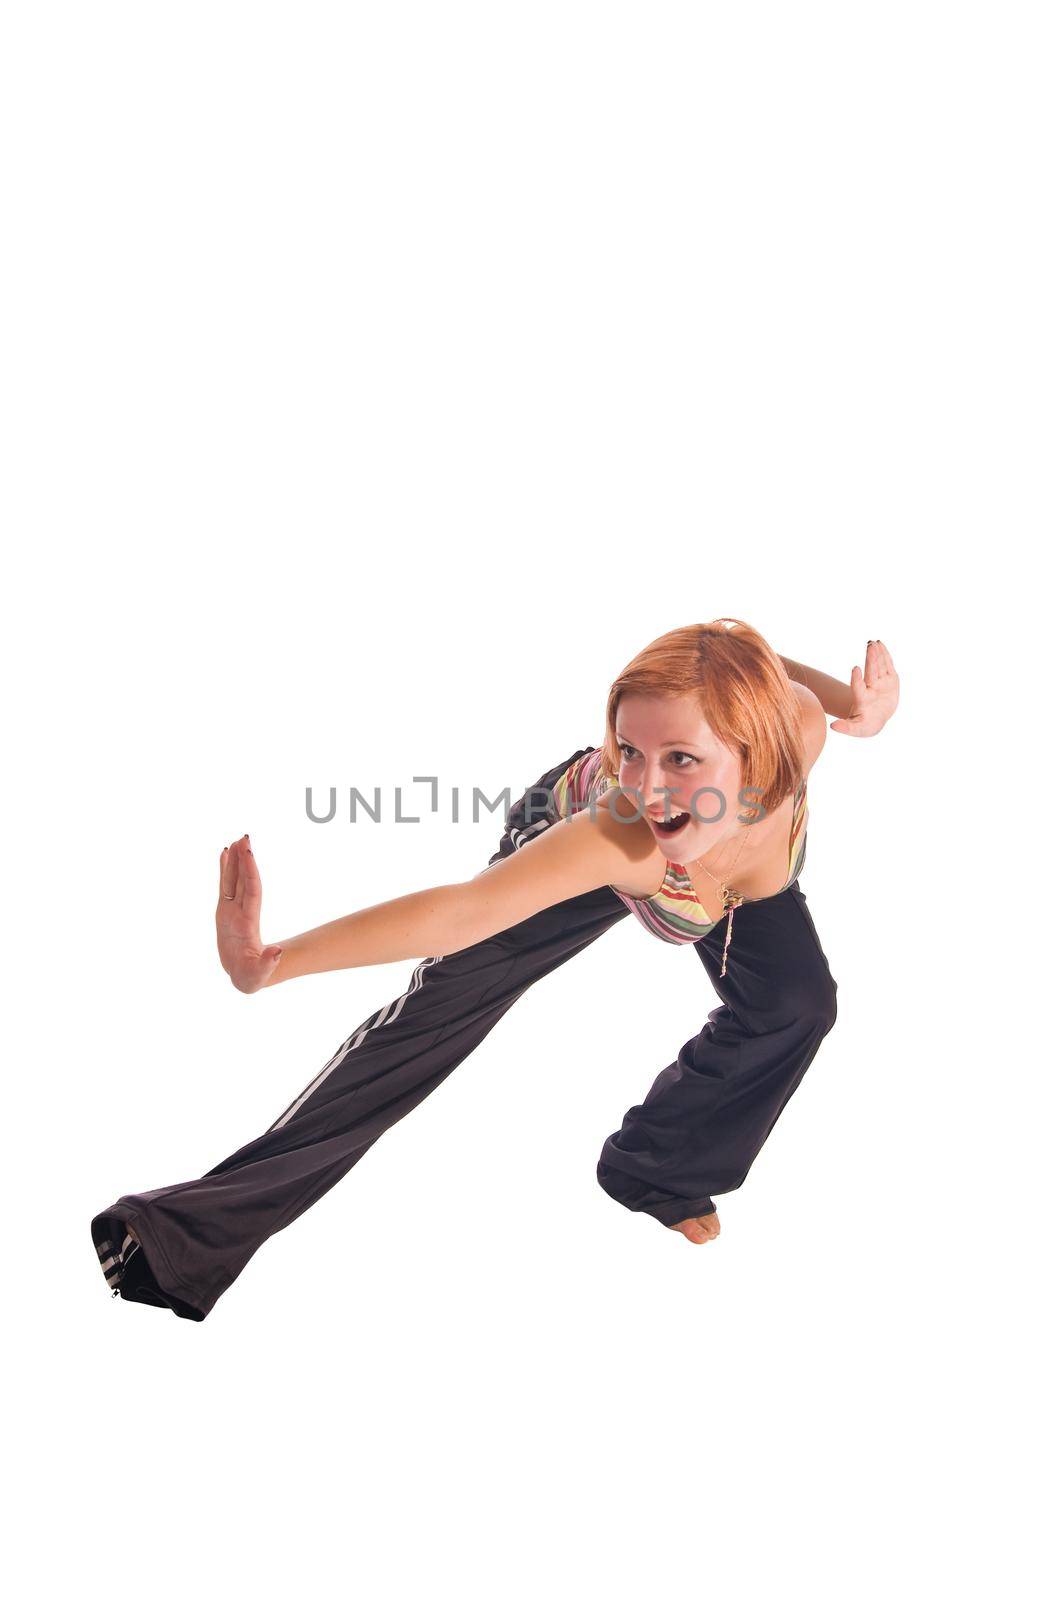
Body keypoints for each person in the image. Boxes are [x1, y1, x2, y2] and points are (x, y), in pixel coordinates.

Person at [91, 619, 900, 1320]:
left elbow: (764, 661)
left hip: (718, 883)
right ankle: (179, 1240)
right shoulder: (621, 829)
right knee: (424, 1031)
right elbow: (464, 911)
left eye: (681, 758)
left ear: (756, 747)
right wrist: (271, 964)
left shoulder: (797, 728)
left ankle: (653, 1170)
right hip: (563, 840)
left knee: (797, 1003)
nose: (648, 786)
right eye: (629, 751)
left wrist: (849, 703)